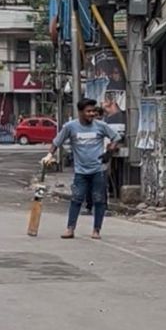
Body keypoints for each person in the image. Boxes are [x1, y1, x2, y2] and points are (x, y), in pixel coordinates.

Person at [45, 98, 120, 240]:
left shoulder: (101, 126)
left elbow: (116, 138)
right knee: (76, 199)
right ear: (80, 112)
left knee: (99, 200)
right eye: (88, 111)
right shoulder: (70, 127)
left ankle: (96, 230)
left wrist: (109, 152)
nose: (92, 114)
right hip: (80, 172)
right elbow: (56, 142)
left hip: (98, 170)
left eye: (93, 111)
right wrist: (49, 155)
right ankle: (70, 229)